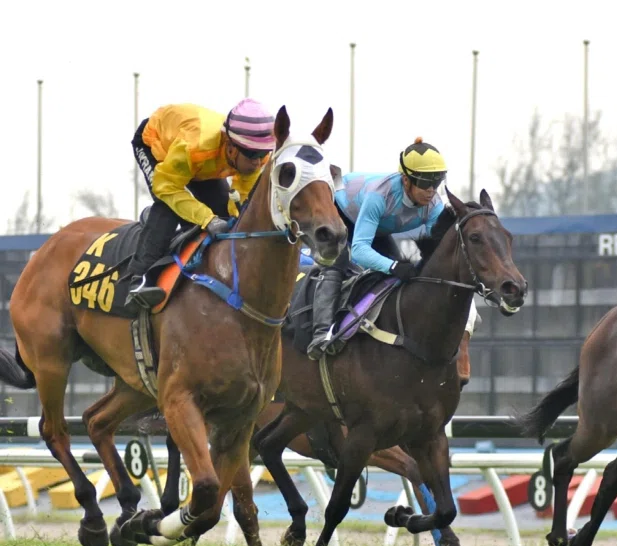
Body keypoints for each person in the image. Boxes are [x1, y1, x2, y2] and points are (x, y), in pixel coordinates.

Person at [124, 99, 276, 310]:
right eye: (252, 154)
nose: (258, 162)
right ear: (231, 147)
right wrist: (207, 219)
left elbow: (240, 200)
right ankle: (138, 279)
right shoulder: (196, 146)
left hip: (203, 161)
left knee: (224, 216)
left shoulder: (251, 156)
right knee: (168, 207)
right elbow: (166, 188)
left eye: (263, 153)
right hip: (158, 144)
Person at [306, 137, 447, 359]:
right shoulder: (380, 196)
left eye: (437, 182)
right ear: (406, 180)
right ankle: (321, 334)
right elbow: (361, 250)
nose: (431, 190)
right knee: (338, 264)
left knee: (400, 274)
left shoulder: (435, 206)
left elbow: (433, 254)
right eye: (425, 182)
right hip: (341, 211)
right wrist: (393, 266)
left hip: (378, 228)